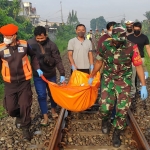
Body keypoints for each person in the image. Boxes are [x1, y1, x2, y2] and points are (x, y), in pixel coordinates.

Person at [88, 27, 148, 147]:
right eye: (115, 41)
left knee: (122, 108)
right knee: (105, 107)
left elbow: (138, 66)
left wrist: (143, 85)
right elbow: (99, 62)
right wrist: (92, 75)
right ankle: (105, 121)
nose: (116, 43)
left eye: (119, 41)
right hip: (108, 79)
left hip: (124, 81)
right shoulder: (105, 44)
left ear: (124, 38)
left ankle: (117, 132)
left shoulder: (132, 47)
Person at [0, 24, 42, 141]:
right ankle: (18, 116)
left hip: (24, 81)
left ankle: (25, 128)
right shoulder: (1, 48)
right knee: (11, 108)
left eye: (7, 36)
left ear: (14, 36)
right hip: (10, 83)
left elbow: (33, 56)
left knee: (25, 105)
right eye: (4, 36)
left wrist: (37, 67)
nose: (5, 37)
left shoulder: (24, 44)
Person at [28, 26, 65, 126]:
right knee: (41, 95)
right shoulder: (30, 44)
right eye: (38, 38)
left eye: (42, 38)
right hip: (38, 75)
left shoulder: (52, 45)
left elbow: (58, 59)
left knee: (52, 94)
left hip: (50, 74)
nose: (40, 40)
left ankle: (53, 110)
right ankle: (45, 116)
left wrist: (62, 73)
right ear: (35, 37)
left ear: (46, 35)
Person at [127, 22, 150, 98]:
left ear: (140, 29)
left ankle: (140, 89)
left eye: (138, 29)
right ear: (133, 29)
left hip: (141, 58)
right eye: (135, 29)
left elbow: (147, 48)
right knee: (132, 75)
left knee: (140, 75)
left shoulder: (144, 37)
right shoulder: (129, 37)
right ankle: (132, 91)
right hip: (132, 59)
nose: (136, 30)